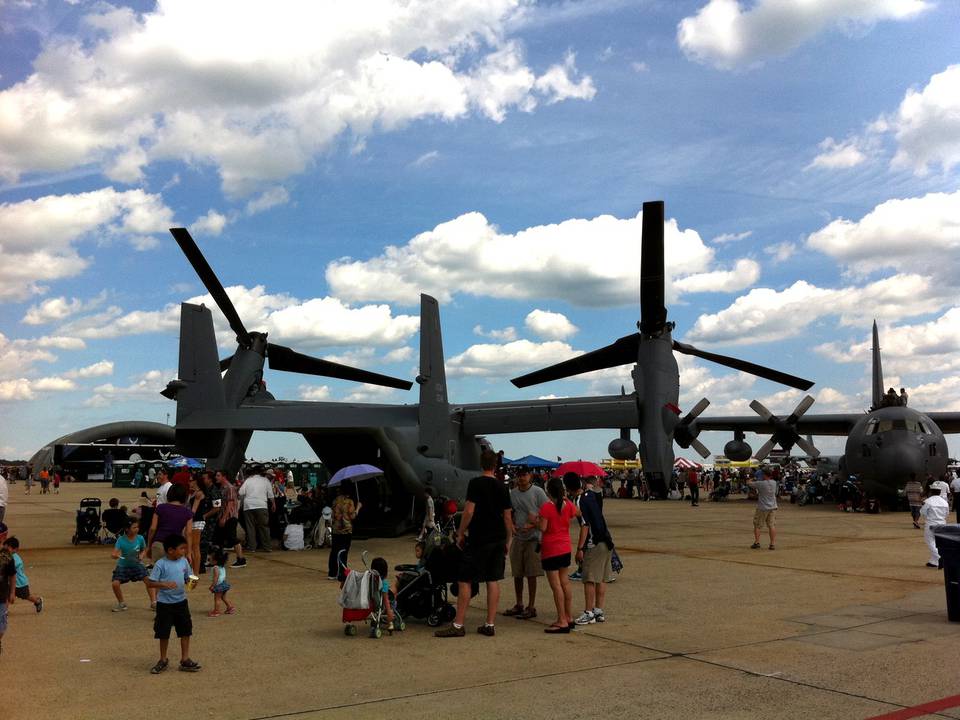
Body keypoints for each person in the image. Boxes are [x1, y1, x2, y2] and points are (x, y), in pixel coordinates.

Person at [435, 448, 514, 638]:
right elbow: (507, 517)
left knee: (465, 579)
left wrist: (460, 533)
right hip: (497, 538)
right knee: (493, 580)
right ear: (495, 465)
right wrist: (508, 539)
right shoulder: (503, 487)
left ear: (481, 464)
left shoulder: (476, 483)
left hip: (479, 538)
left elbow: (469, 511)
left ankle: (459, 624)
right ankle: (490, 623)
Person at [145, 534, 200, 674]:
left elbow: (189, 578)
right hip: (164, 604)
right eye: (181, 549)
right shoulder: (160, 564)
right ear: (170, 550)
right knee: (163, 632)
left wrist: (192, 583)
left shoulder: (184, 562)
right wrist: (163, 584)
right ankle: (163, 659)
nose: (184, 552)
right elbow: (150, 583)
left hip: (181, 602)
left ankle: (185, 659)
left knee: (185, 630)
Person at [566, 474, 614, 625]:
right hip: (606, 540)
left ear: (568, 488)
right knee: (602, 577)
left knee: (589, 578)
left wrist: (580, 548)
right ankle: (598, 611)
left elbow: (585, 526)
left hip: (594, 543)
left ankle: (588, 612)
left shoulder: (581, 500)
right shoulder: (592, 495)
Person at [503, 468, 548, 621]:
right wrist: (512, 526)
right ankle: (519, 603)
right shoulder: (513, 493)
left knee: (532, 574)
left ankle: (531, 605)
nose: (521, 478)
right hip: (518, 537)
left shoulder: (538, 492)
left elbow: (547, 512)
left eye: (524, 475)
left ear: (530, 476)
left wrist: (535, 524)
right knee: (517, 573)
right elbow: (510, 512)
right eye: (519, 475)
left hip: (533, 538)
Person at [538, 477, 578, 634]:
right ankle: (568, 616)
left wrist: (535, 520)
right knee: (565, 582)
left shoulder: (547, 507)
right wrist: (568, 500)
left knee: (556, 586)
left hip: (551, 548)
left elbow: (543, 528)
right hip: (565, 547)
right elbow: (577, 512)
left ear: (548, 491)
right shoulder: (567, 505)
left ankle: (561, 619)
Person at [146, 483, 194, 570]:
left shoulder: (160, 508)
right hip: (176, 547)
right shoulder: (187, 512)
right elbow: (189, 533)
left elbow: (153, 528)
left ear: (169, 494)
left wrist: (149, 546)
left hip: (159, 543)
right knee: (173, 574)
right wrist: (189, 552)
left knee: (159, 575)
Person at [110, 518, 150, 612]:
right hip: (123, 566)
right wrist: (114, 555)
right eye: (134, 527)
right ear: (127, 529)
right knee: (115, 584)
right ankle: (122, 603)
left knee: (149, 581)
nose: (137, 529)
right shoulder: (121, 539)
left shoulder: (140, 538)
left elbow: (144, 549)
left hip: (137, 564)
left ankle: (154, 602)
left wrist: (141, 555)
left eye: (137, 527)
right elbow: (114, 553)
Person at [327, 482, 360, 580]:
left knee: (334, 551)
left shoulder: (335, 501)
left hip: (336, 530)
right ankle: (342, 573)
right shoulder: (349, 502)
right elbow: (352, 516)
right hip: (346, 530)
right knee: (343, 551)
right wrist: (358, 508)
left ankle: (332, 573)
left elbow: (332, 515)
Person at [214, 470, 246, 569]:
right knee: (220, 538)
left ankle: (241, 559)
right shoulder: (221, 488)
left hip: (230, 517)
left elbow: (230, 504)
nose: (216, 477)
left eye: (218, 475)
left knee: (232, 537)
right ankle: (219, 558)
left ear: (224, 476)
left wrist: (224, 518)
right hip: (223, 516)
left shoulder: (229, 488)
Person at [239, 467, 274, 554]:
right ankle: (267, 547)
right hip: (262, 505)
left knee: (250, 527)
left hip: (248, 506)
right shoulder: (266, 481)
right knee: (264, 526)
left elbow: (241, 492)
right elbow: (270, 494)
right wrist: (273, 504)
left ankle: (252, 547)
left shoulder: (248, 480)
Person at [2, 538, 42, 613]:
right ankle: (4, 612)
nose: (6, 550)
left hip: (20, 583)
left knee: (26, 595)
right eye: (5, 547)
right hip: (9, 583)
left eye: (8, 548)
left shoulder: (16, 560)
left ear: (16, 549)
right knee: (6, 597)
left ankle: (37, 601)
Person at [748, 467, 778, 550]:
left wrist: (753, 478)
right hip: (773, 507)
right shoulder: (774, 482)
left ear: (764, 475)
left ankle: (757, 542)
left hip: (762, 507)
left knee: (757, 525)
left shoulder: (760, 483)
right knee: (771, 525)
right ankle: (772, 544)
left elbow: (749, 483)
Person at [920, 487, 949, 568]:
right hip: (942, 523)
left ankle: (940, 558)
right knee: (937, 542)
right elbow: (947, 514)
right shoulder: (945, 502)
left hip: (931, 523)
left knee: (930, 541)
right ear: (940, 492)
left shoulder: (928, 501)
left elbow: (922, 512)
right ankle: (934, 561)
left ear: (931, 492)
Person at [207, 547, 236, 617]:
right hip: (224, 584)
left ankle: (216, 611)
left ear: (215, 561)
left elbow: (216, 578)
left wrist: (212, 586)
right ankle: (230, 607)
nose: (209, 560)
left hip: (219, 585)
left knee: (217, 599)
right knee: (223, 597)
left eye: (210, 559)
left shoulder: (215, 568)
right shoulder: (222, 567)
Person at [370, 556, 396, 627]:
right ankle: (391, 617)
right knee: (393, 599)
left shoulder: (369, 580)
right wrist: (389, 611)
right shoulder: (383, 582)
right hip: (381, 605)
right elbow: (385, 598)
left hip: (370, 603)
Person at [0, 538, 15, 655]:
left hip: (2, 595)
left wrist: (12, 593)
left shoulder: (9, 558)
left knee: (2, 624)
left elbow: (12, 576)